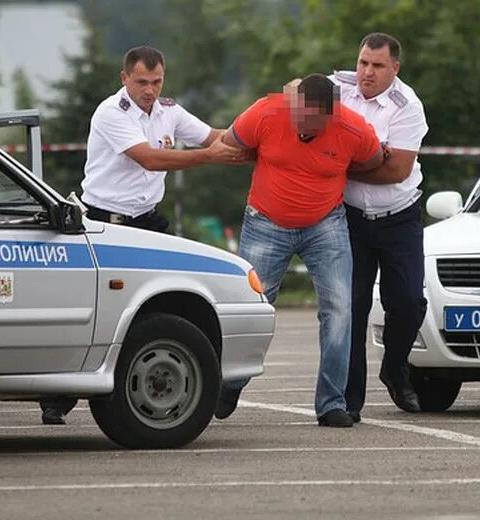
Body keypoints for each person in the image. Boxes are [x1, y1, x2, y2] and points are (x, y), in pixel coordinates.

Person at [39, 45, 245, 425]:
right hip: (106, 224)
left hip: (146, 223)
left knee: (158, 308)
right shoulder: (110, 112)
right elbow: (151, 157)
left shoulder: (168, 111)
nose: (149, 90)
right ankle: (57, 396)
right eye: (141, 82)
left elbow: (214, 135)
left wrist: (256, 137)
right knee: (97, 312)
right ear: (124, 79)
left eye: (156, 81)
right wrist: (211, 157)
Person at [215, 74, 383, 427]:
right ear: (293, 103)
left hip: (326, 224)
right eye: (299, 115)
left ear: (331, 114)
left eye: (313, 121)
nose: (304, 126)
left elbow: (373, 159)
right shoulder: (266, 112)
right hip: (266, 221)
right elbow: (230, 141)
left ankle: (331, 402)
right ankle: (230, 383)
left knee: (340, 309)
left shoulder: (354, 130)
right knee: (251, 306)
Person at [331, 32, 429, 421]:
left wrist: (337, 163)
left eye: (377, 66)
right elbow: (293, 98)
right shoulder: (337, 90)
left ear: (395, 68)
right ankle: (348, 403)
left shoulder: (408, 106)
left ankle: (395, 366)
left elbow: (396, 170)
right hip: (350, 219)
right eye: (362, 63)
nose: (367, 73)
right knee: (350, 308)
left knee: (408, 302)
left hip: (399, 216)